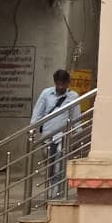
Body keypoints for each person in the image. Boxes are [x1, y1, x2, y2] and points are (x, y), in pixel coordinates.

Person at [31, 69, 81, 200]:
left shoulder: (73, 97)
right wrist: (33, 129)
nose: (61, 87)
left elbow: (76, 118)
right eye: (58, 84)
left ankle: (58, 194)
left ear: (68, 83)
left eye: (63, 84)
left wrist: (78, 135)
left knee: (60, 165)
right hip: (47, 136)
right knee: (50, 166)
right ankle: (50, 192)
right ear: (55, 82)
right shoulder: (46, 94)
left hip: (63, 136)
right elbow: (37, 113)